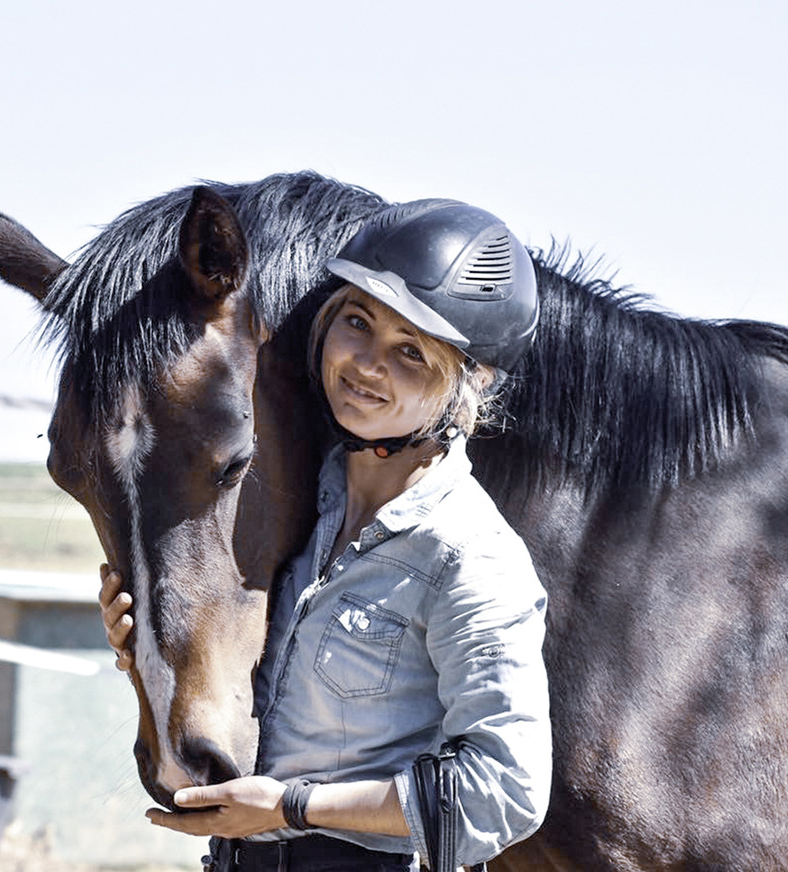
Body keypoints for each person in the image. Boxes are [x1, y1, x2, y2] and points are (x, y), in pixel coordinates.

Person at [100, 199, 551, 871]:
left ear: (470, 382)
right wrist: (144, 647)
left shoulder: (469, 557)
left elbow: (505, 795)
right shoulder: (300, 505)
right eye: (357, 322)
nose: (367, 365)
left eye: (409, 351)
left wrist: (289, 807)